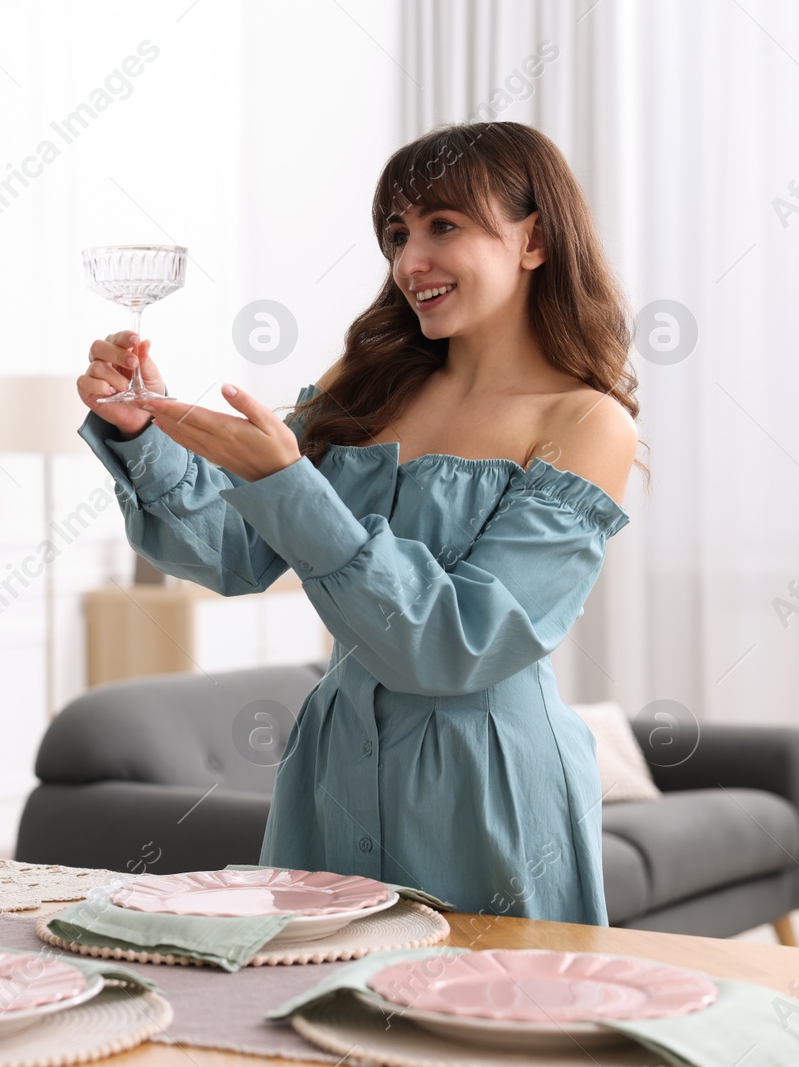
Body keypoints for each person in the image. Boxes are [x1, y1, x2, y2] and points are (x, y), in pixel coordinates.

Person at [73, 121, 644, 926]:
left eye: (444, 226)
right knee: (308, 1011)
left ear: (534, 240)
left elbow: (459, 643)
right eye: (396, 234)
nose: (411, 262)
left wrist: (287, 481)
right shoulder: (362, 389)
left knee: (483, 1027)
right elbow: (233, 556)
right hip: (332, 766)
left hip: (490, 785)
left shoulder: (587, 423)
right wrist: (141, 435)